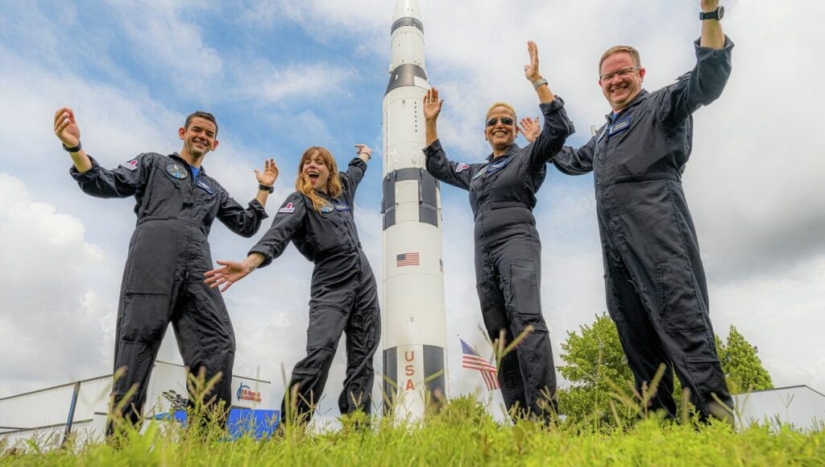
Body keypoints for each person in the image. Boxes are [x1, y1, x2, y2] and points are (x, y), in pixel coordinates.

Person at [523, 0, 735, 423]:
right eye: (609, 75)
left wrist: (709, 13)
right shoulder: (603, 135)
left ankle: (713, 433)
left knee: (684, 327)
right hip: (616, 253)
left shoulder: (662, 106)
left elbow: (707, 79)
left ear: (640, 75)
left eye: (624, 72)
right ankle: (658, 432)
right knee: (637, 341)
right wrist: (539, 104)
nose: (617, 79)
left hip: (660, 236)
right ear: (600, 84)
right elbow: (568, 160)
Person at [53, 108, 278, 431]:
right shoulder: (153, 163)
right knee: (137, 341)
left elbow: (245, 224)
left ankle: (203, 443)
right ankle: (121, 447)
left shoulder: (213, 189)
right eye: (196, 130)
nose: (202, 136)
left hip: (199, 266)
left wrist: (264, 189)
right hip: (153, 258)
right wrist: (75, 148)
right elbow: (105, 182)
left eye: (209, 134)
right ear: (182, 133)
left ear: (215, 145)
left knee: (218, 342)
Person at [421, 41, 574, 422]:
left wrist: (537, 80)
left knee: (527, 323)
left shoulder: (529, 155)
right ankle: (522, 422)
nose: (501, 125)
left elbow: (558, 130)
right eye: (494, 122)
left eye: (507, 120)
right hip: (483, 253)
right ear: (486, 133)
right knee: (501, 335)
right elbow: (439, 166)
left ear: (514, 130)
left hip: (517, 242)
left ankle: (546, 422)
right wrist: (430, 123)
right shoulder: (475, 171)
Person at [205, 144, 380, 426]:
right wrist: (250, 263)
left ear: (329, 169)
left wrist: (365, 154)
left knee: (363, 358)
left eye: (319, 162)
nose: (312, 166)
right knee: (320, 353)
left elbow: (355, 171)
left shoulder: (342, 191)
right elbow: (279, 233)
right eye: (307, 163)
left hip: (364, 279)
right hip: (331, 280)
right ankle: (289, 432)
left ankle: (357, 430)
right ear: (302, 171)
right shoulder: (299, 201)